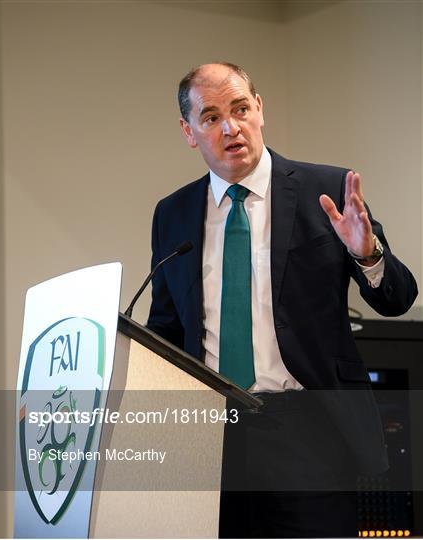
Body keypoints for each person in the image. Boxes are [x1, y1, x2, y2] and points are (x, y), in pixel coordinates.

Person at [146, 62, 418, 538]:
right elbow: (167, 328)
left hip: (308, 431)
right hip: (212, 439)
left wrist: (367, 253)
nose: (230, 127)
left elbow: (398, 300)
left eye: (240, 109)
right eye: (210, 117)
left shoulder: (326, 191)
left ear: (260, 111)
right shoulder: (173, 213)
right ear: (189, 132)